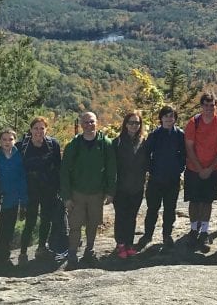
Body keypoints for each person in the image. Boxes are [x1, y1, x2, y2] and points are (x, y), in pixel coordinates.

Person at [60, 111, 117, 270]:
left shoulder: (106, 144)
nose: (89, 125)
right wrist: (66, 196)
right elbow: (64, 172)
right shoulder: (73, 145)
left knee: (93, 224)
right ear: (81, 124)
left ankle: (89, 251)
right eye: (85, 122)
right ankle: (72, 254)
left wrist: (110, 191)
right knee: (75, 225)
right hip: (77, 192)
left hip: (97, 192)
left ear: (97, 122)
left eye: (91, 121)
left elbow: (111, 170)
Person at [184, 91, 217, 249]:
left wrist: (209, 169)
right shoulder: (193, 122)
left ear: (216, 106)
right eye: (206, 105)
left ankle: (204, 231)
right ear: (201, 106)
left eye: (212, 105)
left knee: (207, 201)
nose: (209, 108)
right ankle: (193, 229)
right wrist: (199, 169)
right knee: (194, 201)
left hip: (212, 169)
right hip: (193, 169)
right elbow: (189, 148)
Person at [140, 105, 186, 249]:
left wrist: (180, 167)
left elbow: (184, 154)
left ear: (175, 119)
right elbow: (146, 154)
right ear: (161, 118)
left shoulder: (180, 135)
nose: (168, 119)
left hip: (173, 179)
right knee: (152, 209)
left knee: (170, 209)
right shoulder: (154, 135)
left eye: (171, 116)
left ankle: (167, 235)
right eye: (165, 116)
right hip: (156, 179)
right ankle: (148, 235)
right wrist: (151, 169)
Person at [17, 116, 62, 262]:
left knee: (46, 219)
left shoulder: (52, 144)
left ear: (46, 130)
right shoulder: (22, 146)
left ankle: (41, 248)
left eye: (42, 128)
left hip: (48, 188)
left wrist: (59, 188)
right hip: (30, 189)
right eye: (36, 128)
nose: (38, 131)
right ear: (30, 130)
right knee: (29, 221)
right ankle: (23, 252)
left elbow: (58, 167)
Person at [112, 110, 149, 259]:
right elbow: (112, 166)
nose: (134, 125)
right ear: (125, 124)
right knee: (121, 216)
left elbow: (147, 163)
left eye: (137, 123)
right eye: (131, 122)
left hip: (137, 187)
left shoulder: (144, 142)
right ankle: (120, 244)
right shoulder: (117, 142)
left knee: (132, 216)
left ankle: (128, 243)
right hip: (120, 188)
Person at [0, 127, 28, 275]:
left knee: (8, 232)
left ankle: (5, 261)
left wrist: (24, 200)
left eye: (10, 139)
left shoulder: (19, 156)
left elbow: (22, 179)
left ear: (15, 140)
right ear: (0, 142)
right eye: (4, 139)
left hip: (13, 200)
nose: (7, 142)